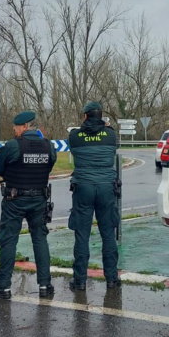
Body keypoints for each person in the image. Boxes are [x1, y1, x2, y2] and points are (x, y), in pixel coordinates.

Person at [0, 110, 57, 300]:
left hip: (15, 200)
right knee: (40, 239)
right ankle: (45, 286)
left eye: (16, 127)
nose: (14, 130)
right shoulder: (48, 145)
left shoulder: (13, 146)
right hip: (39, 199)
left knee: (9, 240)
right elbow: (50, 165)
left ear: (25, 126)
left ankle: (3, 288)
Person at [67, 101, 120, 290]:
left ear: (85, 116)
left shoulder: (75, 135)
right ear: (102, 116)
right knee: (108, 234)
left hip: (83, 188)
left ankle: (80, 281)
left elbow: (73, 147)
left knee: (82, 235)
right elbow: (114, 147)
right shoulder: (111, 134)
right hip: (106, 188)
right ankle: (112, 279)